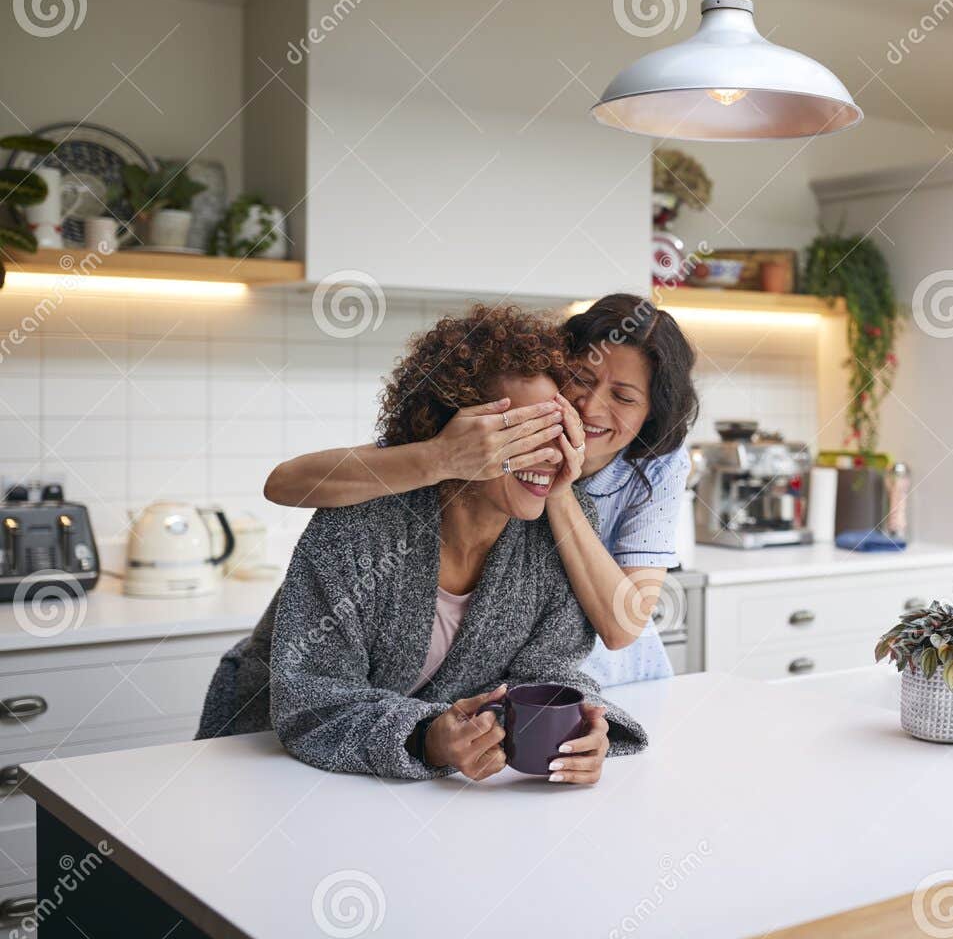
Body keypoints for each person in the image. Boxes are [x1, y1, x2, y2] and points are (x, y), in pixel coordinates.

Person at [196, 305, 645, 783]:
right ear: (454, 434)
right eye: (517, 433)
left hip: (420, 789)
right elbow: (313, 692)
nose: (548, 452)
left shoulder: (558, 529)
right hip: (264, 759)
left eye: (556, 429)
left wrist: (579, 728)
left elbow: (550, 669)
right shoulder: (362, 518)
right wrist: (426, 736)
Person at [261, 294, 699, 687]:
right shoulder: (484, 432)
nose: (590, 406)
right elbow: (284, 483)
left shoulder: (656, 466)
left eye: (624, 397)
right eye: (581, 378)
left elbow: (623, 626)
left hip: (605, 677)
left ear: (650, 416)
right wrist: (441, 457)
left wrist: (555, 486)